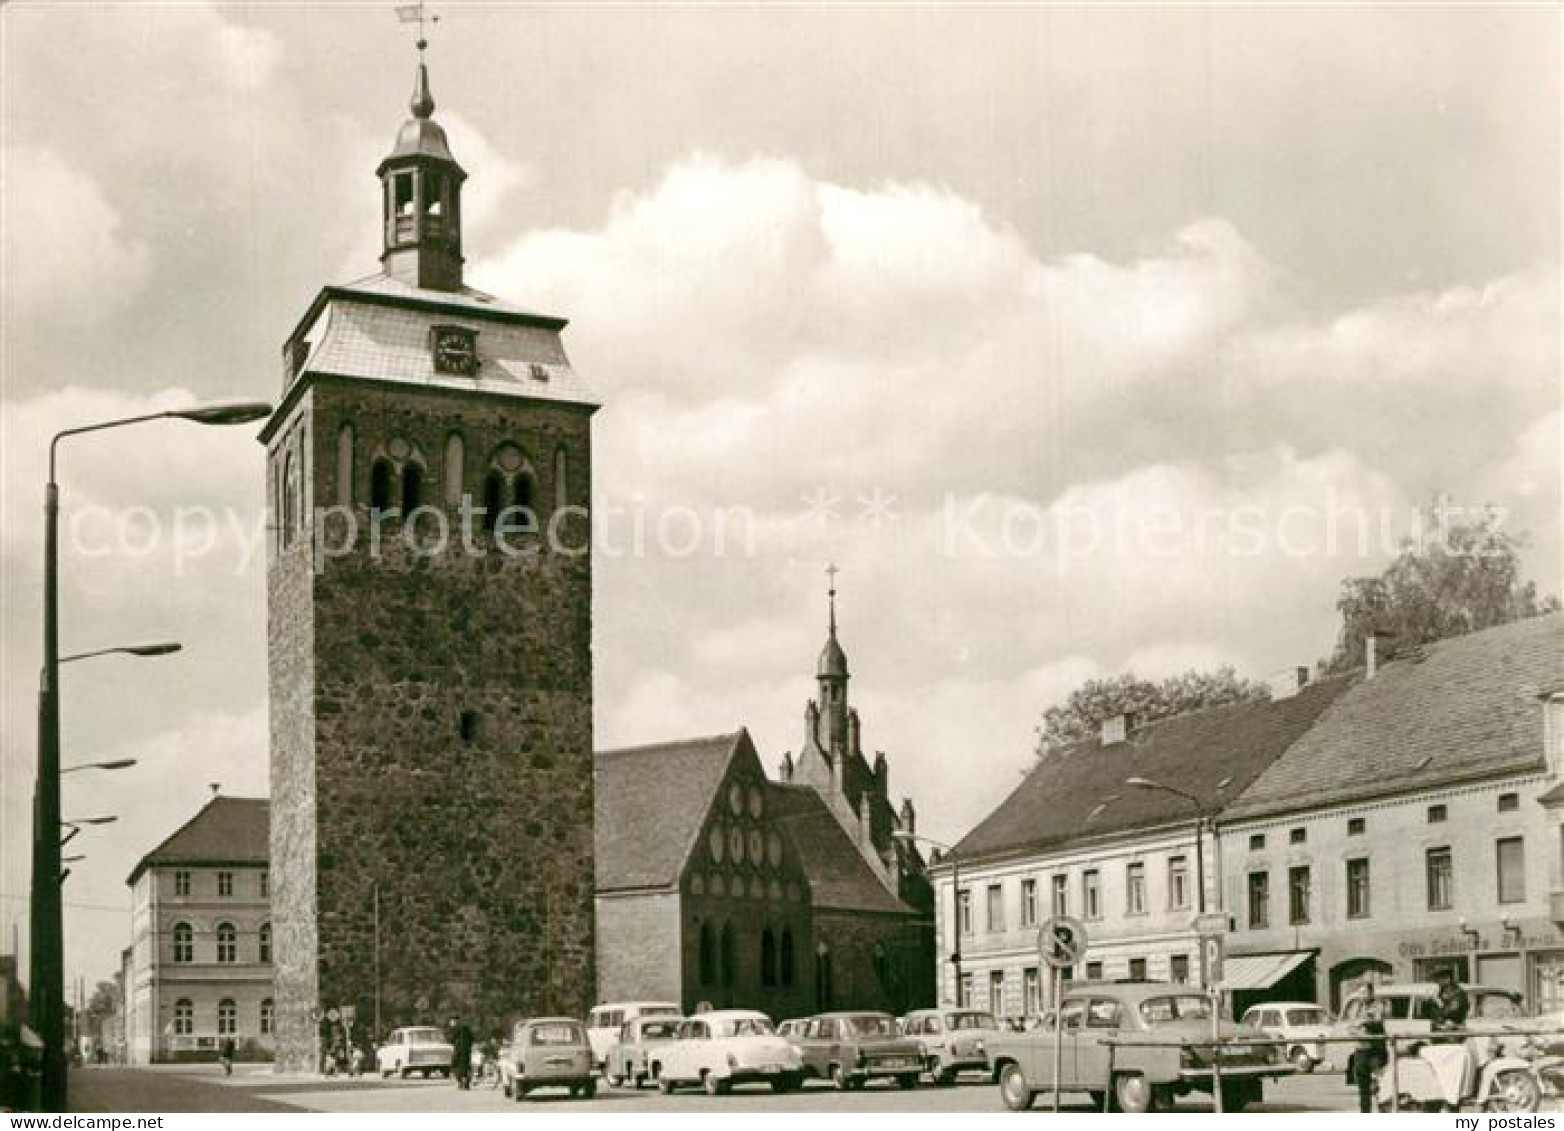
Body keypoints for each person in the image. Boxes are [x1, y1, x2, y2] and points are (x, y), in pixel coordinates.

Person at [1347, 983, 1388, 1113]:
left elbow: (1377, 1020)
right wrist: (1360, 1028)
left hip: (1375, 1050)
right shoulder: (1356, 1007)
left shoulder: (1378, 1005)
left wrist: (1362, 1023)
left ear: (1371, 993)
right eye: (1360, 992)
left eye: (1365, 992)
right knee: (1363, 1087)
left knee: (1379, 1085)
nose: (1362, 995)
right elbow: (1350, 1027)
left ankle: (1383, 1111)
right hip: (1360, 1050)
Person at [448, 1015, 474, 1090]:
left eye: (452, 1021)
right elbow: (472, 1038)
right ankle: (466, 1083)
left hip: (458, 1051)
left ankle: (461, 1083)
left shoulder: (454, 1030)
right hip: (466, 1051)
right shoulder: (466, 1028)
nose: (451, 1023)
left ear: (456, 1021)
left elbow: (451, 1040)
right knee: (466, 1067)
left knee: (455, 1067)